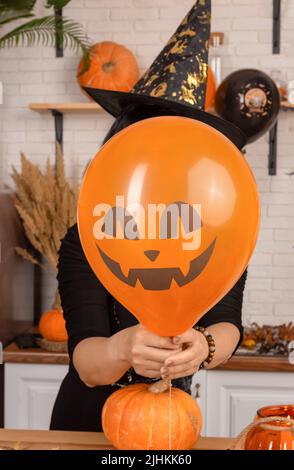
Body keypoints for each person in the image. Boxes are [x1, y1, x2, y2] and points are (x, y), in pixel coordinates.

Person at [50, 0, 248, 432]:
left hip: (170, 423)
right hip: (86, 427)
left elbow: (227, 324)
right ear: (122, 147)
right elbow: (86, 363)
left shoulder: (222, 233)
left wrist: (206, 346)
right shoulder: (87, 237)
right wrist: (123, 349)